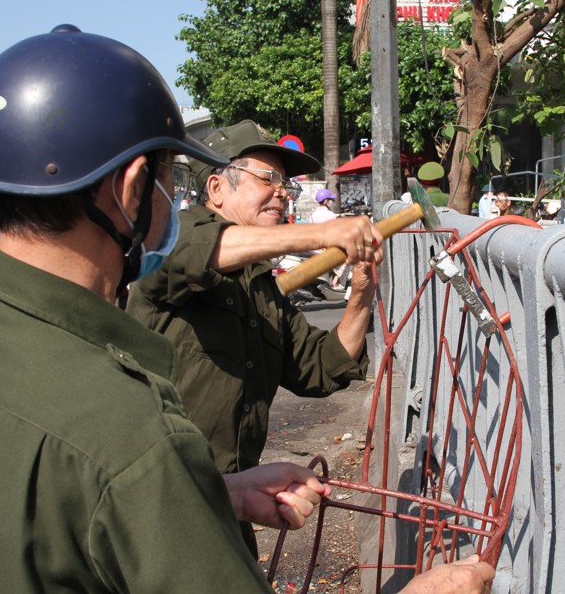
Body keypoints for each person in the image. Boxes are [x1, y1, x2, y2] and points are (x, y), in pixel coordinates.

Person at [0, 25, 391, 594]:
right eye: (164, 180)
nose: (280, 194)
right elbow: (199, 253)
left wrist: (212, 491)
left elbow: (49, 519)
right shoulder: (136, 432)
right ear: (131, 188)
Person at [125, 119, 384, 554]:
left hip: (227, 508)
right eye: (269, 178)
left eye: (287, 184)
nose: (283, 192)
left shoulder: (261, 284)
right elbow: (202, 252)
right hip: (154, 512)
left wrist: (361, 293)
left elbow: (320, 367)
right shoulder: (172, 238)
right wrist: (324, 232)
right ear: (216, 188)